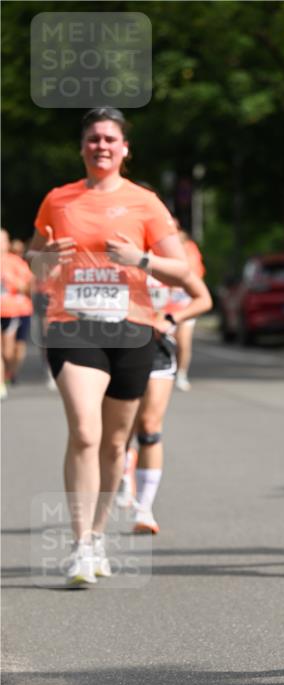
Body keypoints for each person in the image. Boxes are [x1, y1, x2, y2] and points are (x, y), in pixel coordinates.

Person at [27, 106, 188, 587]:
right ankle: (79, 545)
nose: (101, 145)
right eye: (94, 138)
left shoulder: (145, 202)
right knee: (84, 431)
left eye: (110, 139)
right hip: (72, 325)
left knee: (116, 442)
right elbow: (34, 264)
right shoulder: (58, 199)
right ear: (82, 147)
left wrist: (141, 259)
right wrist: (44, 258)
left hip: (131, 328)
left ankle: (97, 535)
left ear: (124, 149)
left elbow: (181, 270)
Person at [117, 268, 212, 533]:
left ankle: (144, 509)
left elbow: (202, 298)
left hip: (156, 345)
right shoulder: (111, 254)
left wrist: (171, 318)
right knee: (120, 431)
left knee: (149, 427)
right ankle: (124, 470)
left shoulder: (166, 258)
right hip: (114, 346)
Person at [173, 227, 205, 391]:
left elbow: (196, 274)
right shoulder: (157, 248)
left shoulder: (191, 250)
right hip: (166, 303)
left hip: (185, 301)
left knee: (183, 340)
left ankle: (181, 374)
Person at [1, 228, 33, 388]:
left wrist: (13, 282)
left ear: (7, 243)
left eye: (2, 241)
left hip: (15, 310)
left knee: (12, 350)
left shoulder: (16, 262)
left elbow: (29, 287)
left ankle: (10, 372)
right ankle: (2, 380)